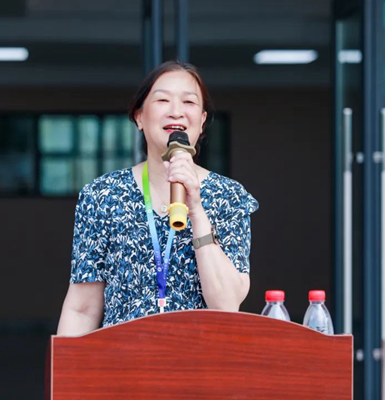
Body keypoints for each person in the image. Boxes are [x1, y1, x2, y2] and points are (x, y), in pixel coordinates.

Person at [56, 60, 258, 336]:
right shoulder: (103, 195)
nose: (176, 111)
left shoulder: (229, 196)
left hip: (202, 358)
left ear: (202, 121)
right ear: (139, 117)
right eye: (163, 100)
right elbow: (82, 308)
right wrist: (66, 363)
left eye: (188, 102)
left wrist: (196, 210)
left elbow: (226, 305)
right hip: (123, 357)